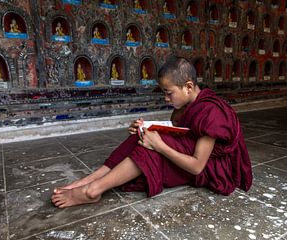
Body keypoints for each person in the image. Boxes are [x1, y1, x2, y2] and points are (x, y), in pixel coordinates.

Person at [51, 56, 253, 208]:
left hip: (210, 167)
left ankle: (92, 190)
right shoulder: (187, 104)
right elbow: (178, 131)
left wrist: (159, 145)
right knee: (143, 136)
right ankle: (90, 179)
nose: (166, 99)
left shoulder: (211, 111)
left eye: (169, 93)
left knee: (151, 146)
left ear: (189, 87)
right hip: (190, 153)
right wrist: (145, 127)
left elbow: (197, 167)